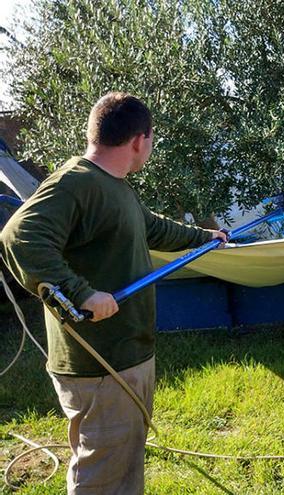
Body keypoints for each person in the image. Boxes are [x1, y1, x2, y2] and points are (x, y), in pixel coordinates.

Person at [0, 92, 227, 493]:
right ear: (140, 139)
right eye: (152, 140)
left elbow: (150, 227)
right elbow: (19, 236)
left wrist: (203, 237)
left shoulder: (115, 186)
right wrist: (80, 293)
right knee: (103, 475)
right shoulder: (77, 182)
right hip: (99, 363)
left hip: (126, 353)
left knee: (123, 464)